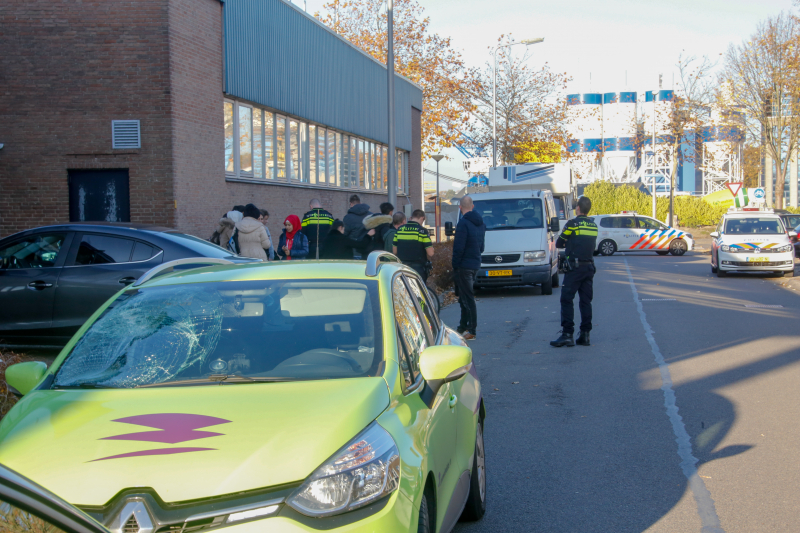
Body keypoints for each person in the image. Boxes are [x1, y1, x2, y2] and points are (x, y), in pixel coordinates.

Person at [551, 196, 598, 347]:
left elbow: (559, 242)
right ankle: (585, 335)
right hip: (589, 267)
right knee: (585, 301)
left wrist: (568, 241)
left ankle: (567, 334)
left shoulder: (572, 224)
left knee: (566, 299)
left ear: (577, 208)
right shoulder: (593, 226)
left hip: (575, 268)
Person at [452, 195, 485, 341]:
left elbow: (458, 248)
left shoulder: (463, 224)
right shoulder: (481, 223)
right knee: (465, 296)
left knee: (467, 297)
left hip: (464, 265)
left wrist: (455, 264)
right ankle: (462, 325)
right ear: (472, 206)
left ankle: (471, 329)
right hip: (475, 263)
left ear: (460, 208)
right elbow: (481, 246)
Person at [393, 209, 434, 282]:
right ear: (422, 218)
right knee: (418, 291)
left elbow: (394, 251)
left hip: (402, 268)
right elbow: (431, 253)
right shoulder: (422, 231)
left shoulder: (399, 230)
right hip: (418, 268)